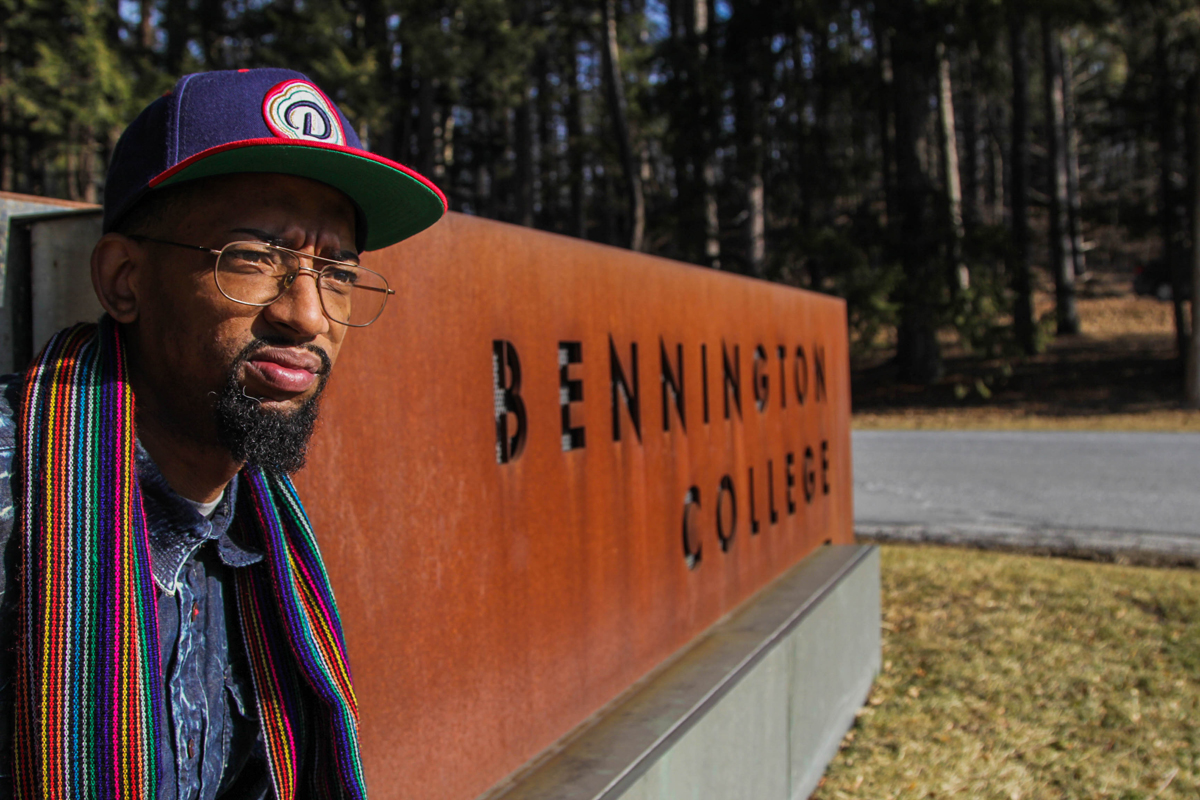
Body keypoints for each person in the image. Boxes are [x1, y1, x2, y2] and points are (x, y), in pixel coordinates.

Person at [0, 68, 445, 799]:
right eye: (253, 257)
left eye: (336, 272)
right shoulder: (19, 503)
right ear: (123, 281)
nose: (307, 315)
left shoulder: (263, 540)